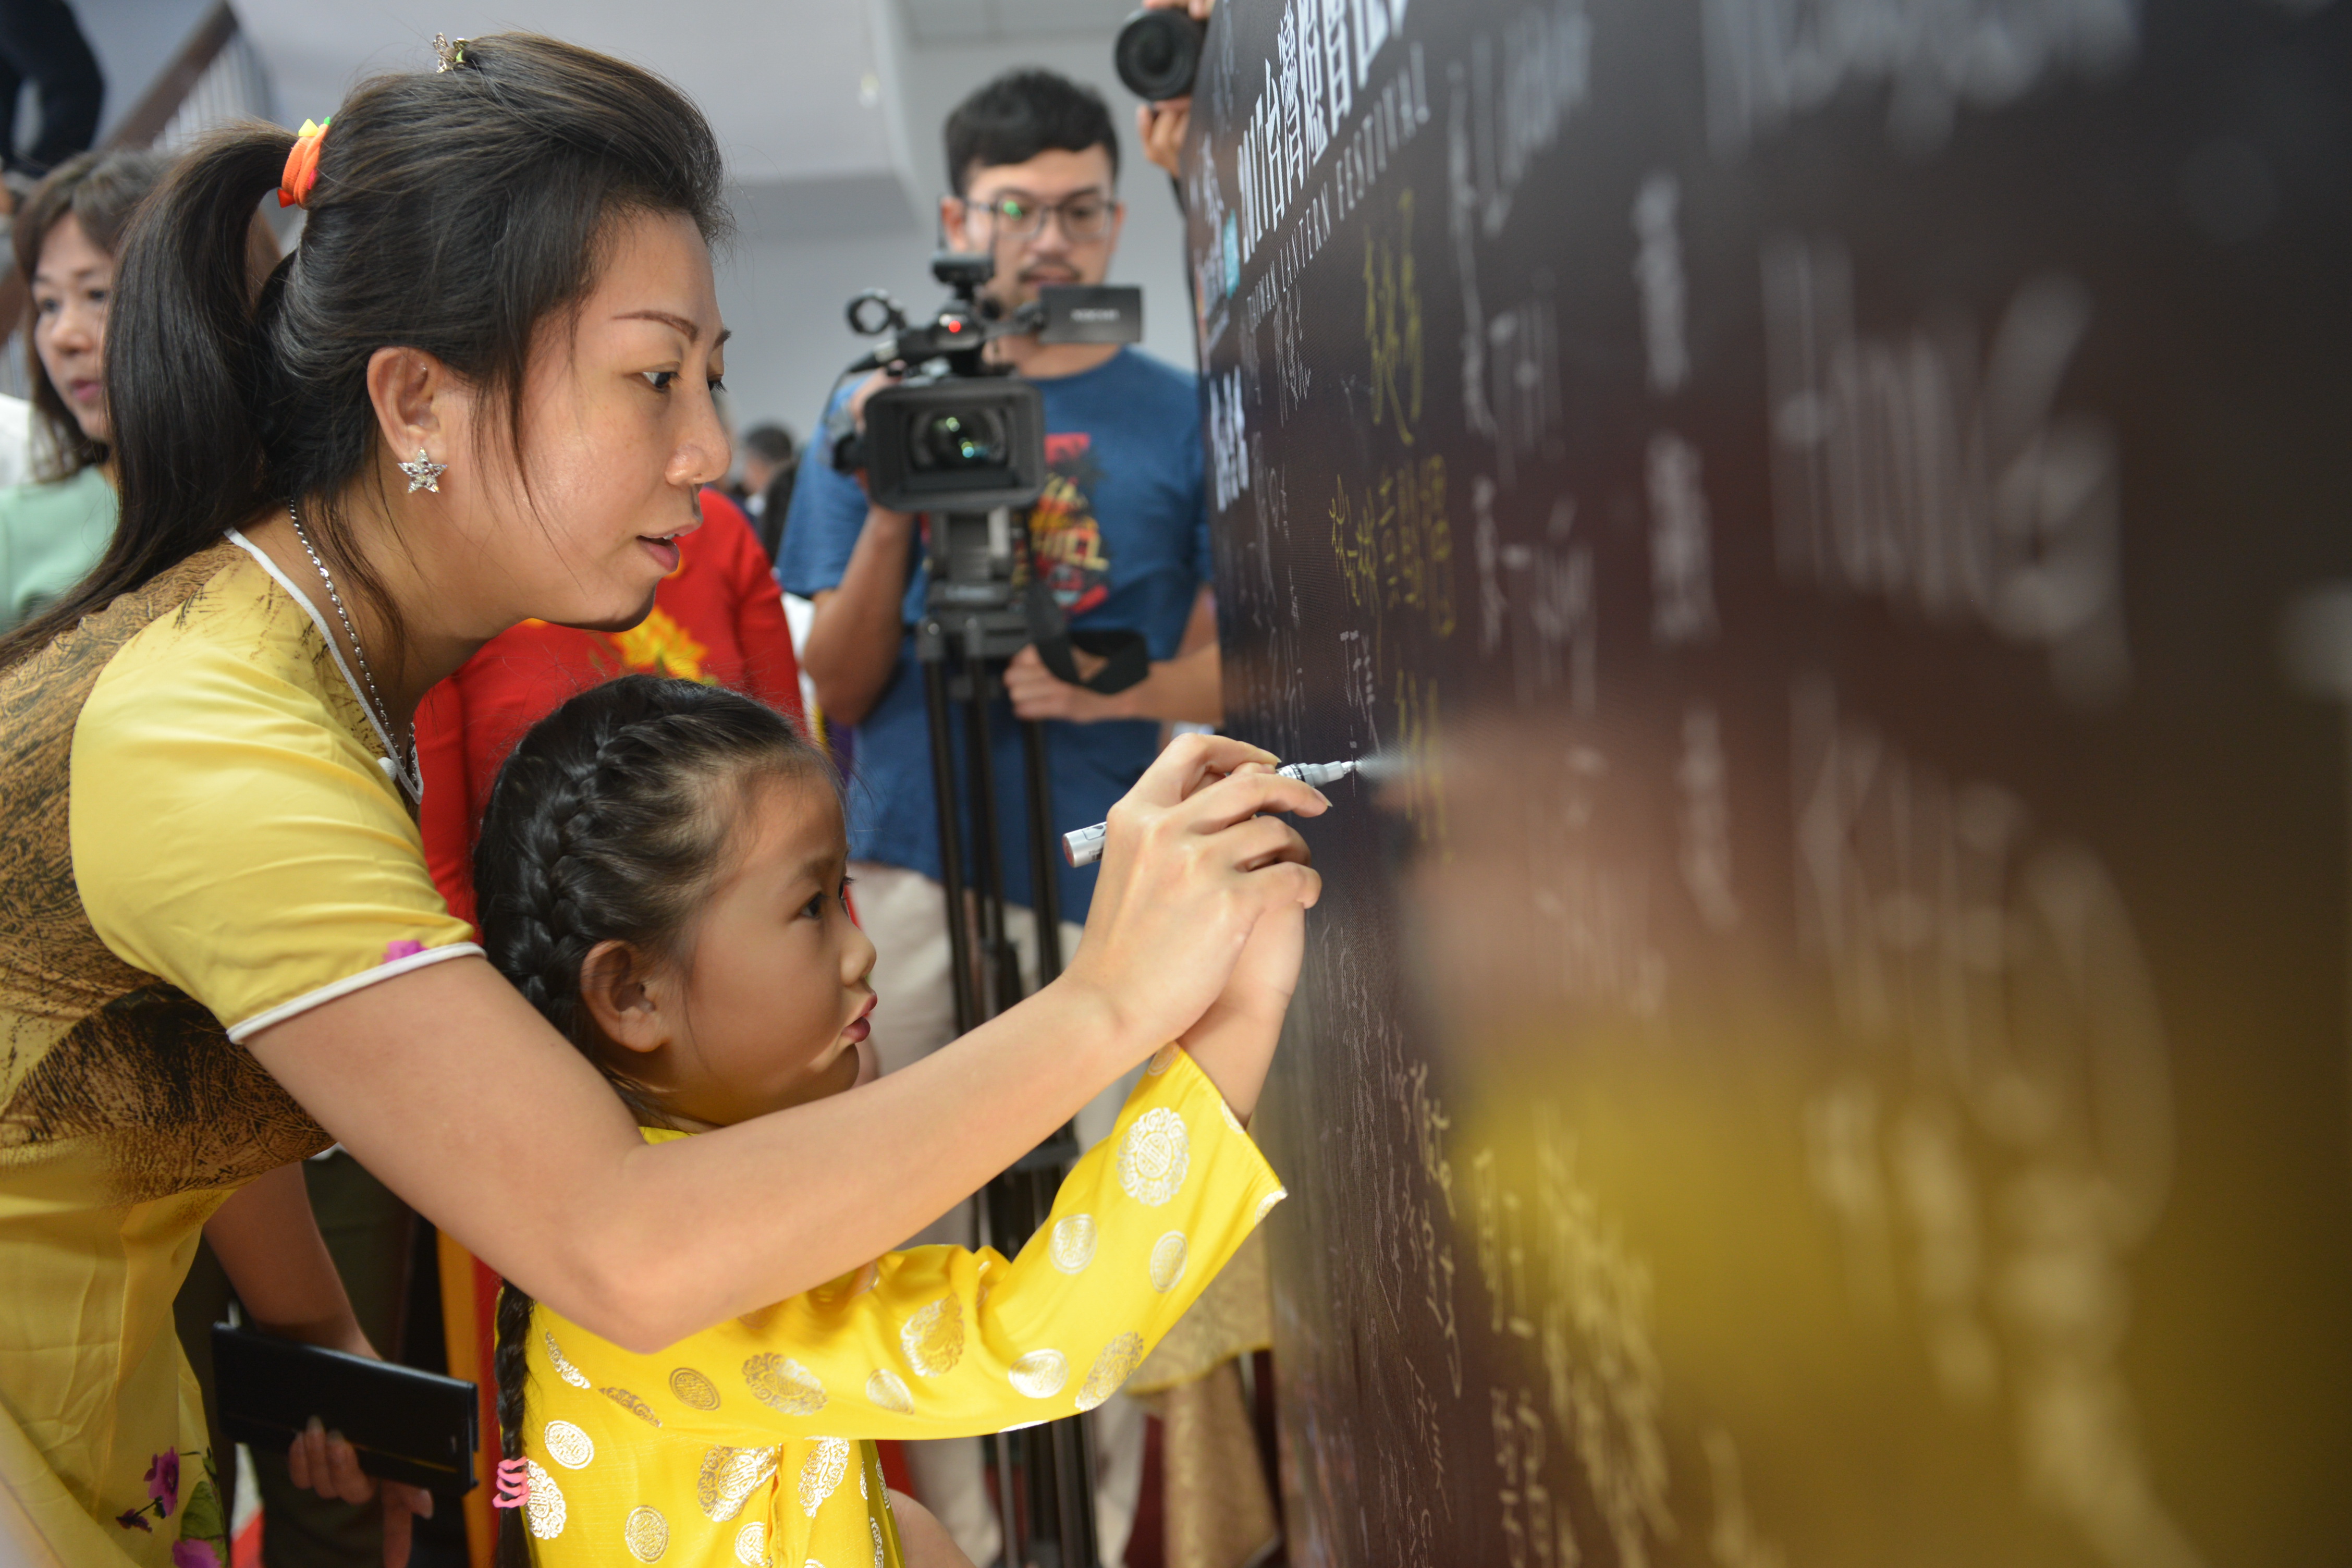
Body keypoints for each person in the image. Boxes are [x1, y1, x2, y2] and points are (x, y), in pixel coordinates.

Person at [0, 33, 1323, 1568]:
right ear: (415, 399)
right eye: (650, 378)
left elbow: (182, 1056)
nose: (705, 446)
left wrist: (319, 1338)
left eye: (707, 375)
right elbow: (627, 1245)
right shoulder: (215, 730)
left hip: (107, 1420)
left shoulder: (319, 667)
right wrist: (1108, 1001)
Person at [468, 674, 1293, 1568]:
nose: (860, 947)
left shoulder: (657, 1207)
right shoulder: (664, 1273)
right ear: (631, 991)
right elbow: (1028, 1344)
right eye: (810, 907)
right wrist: (1236, 1005)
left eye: (843, 892)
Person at [779, 69, 1224, 1559]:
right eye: (1017, 212)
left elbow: (1265, 656)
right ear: (961, 218)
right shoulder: (871, 413)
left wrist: (1107, 696)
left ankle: (1095, 1537)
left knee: (1113, 1226)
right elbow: (834, 682)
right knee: (919, 1224)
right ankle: (957, 1539)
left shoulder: (1178, 412)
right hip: (910, 869)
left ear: (1115, 215)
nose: (1051, 241)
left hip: (1110, 872)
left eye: (1083, 208)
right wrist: (901, 497)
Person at [0, 149, 170, 630]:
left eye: (98, 294)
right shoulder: (15, 528)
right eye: (48, 304)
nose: (62, 336)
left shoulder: (289, 502)